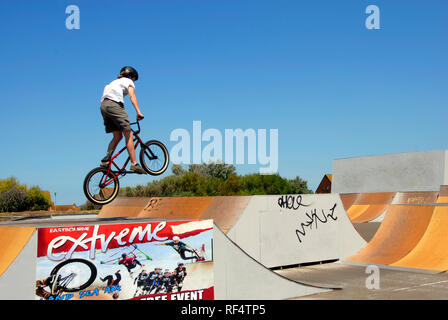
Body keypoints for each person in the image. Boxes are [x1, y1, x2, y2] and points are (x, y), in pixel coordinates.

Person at [99, 66, 146, 174]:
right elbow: (132, 96)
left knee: (117, 136)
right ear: (131, 76)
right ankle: (134, 164)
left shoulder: (114, 82)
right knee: (128, 133)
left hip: (103, 106)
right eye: (134, 79)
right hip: (114, 104)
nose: (134, 82)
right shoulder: (128, 81)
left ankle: (106, 162)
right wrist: (138, 111)